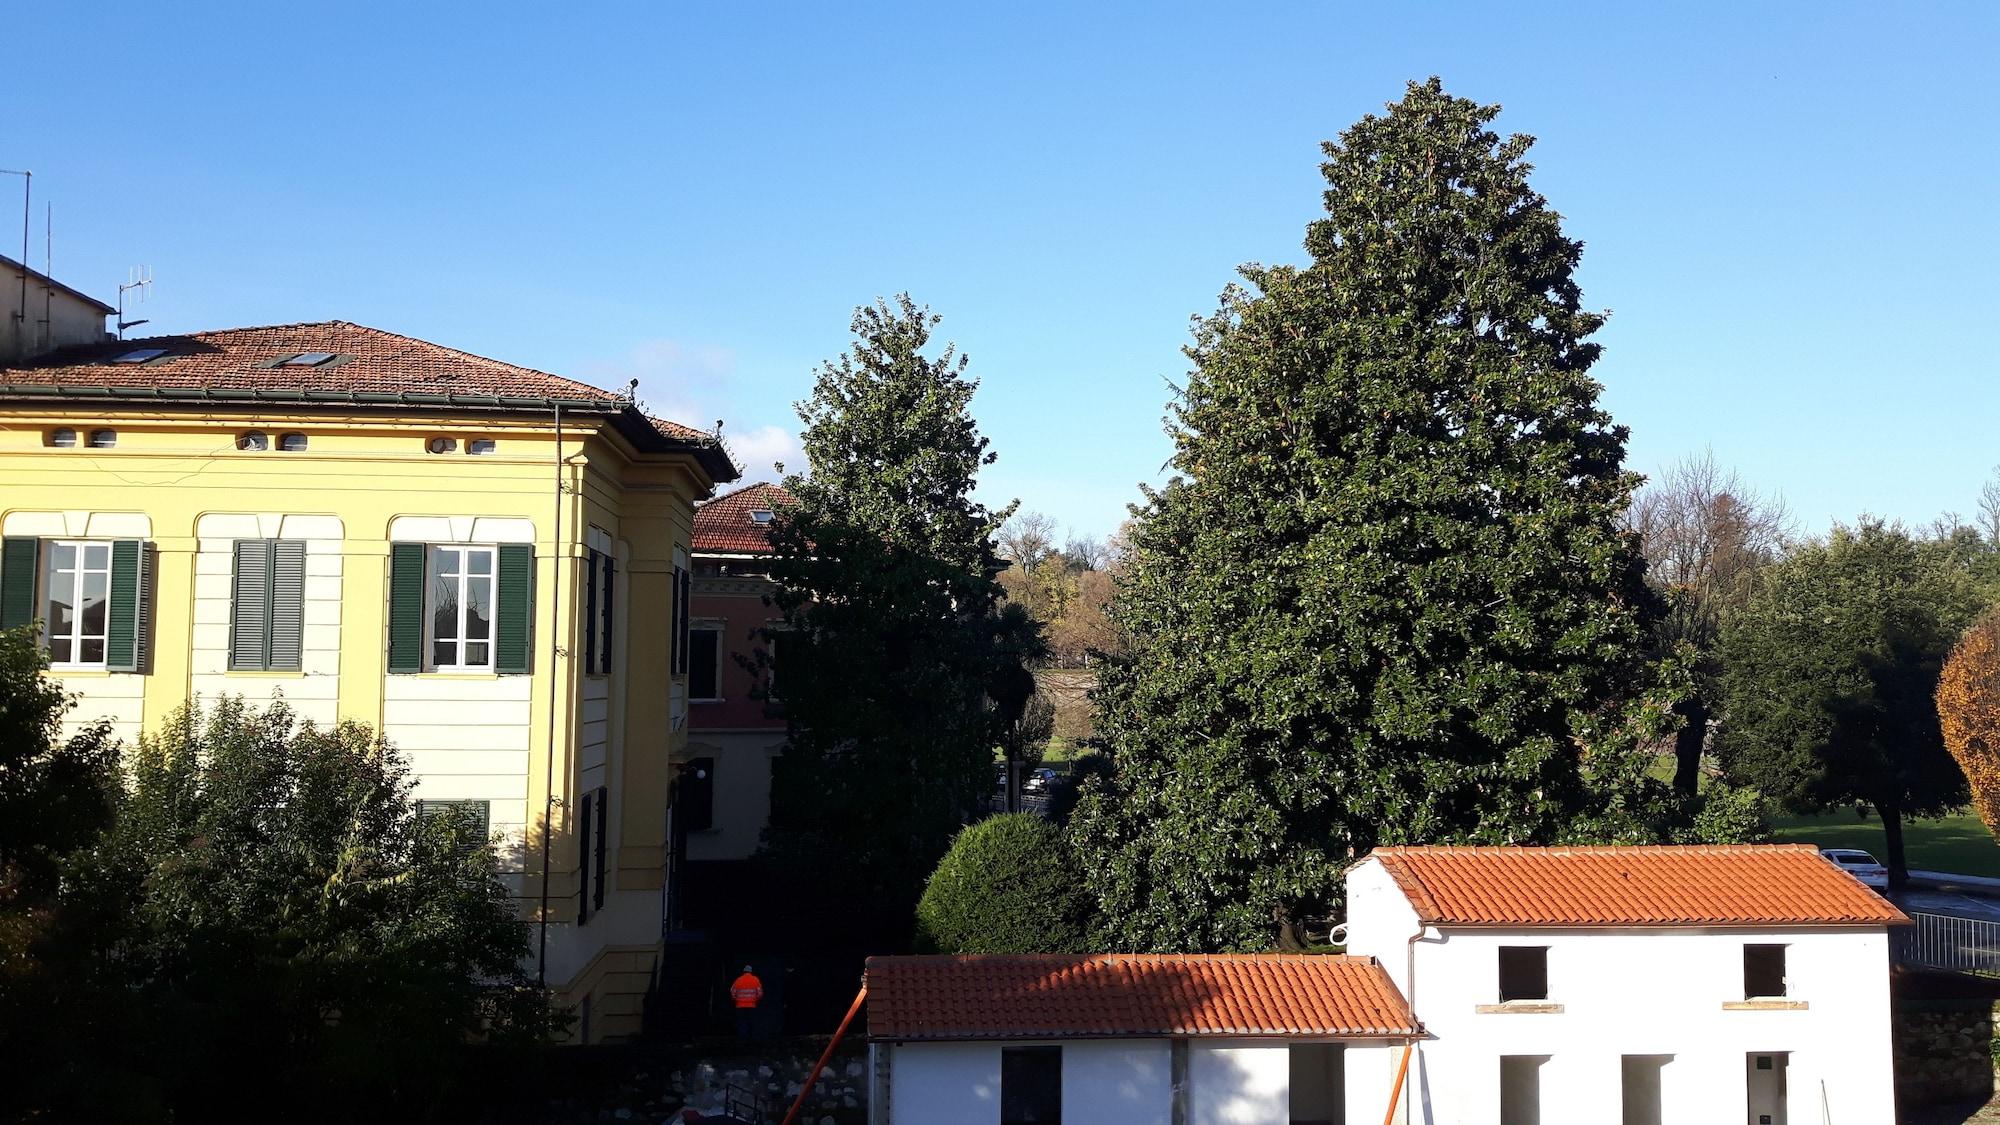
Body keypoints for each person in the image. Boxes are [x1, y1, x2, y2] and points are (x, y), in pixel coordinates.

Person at [729, 964, 764, 1040]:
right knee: (751, 1022)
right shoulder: (755, 980)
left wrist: (736, 1000)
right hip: (752, 1005)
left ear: (743, 971)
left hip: (740, 1005)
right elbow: (760, 993)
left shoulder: (738, 980)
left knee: (742, 1023)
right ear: (751, 971)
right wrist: (755, 1000)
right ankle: (751, 1039)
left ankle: (742, 1039)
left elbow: (732, 992)